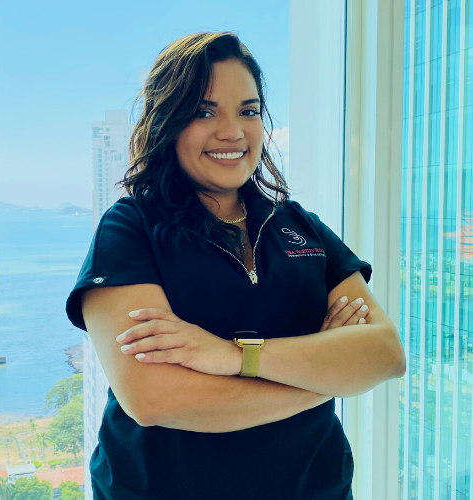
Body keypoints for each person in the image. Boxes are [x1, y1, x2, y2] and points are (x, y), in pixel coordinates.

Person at [66, 31, 405, 500]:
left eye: (248, 111)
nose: (232, 132)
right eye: (204, 112)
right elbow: (153, 398)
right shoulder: (131, 227)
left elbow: (385, 354)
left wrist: (233, 356)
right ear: (167, 121)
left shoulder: (300, 226)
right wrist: (325, 378)